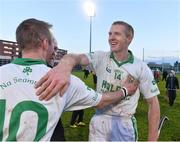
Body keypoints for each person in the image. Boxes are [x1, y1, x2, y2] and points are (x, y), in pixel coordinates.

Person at [0, 18, 138, 141]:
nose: (55, 48)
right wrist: (126, 90)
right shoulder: (65, 82)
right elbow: (101, 101)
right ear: (44, 43)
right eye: (53, 43)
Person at [35, 21, 160, 141]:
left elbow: (153, 104)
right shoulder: (100, 57)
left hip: (124, 122)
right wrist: (65, 65)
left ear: (129, 38)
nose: (111, 37)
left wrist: (152, 139)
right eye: (110, 34)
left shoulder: (141, 67)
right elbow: (77, 57)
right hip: (99, 120)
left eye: (117, 34)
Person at [47, 38, 66, 141]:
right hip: (52, 133)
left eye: (56, 50)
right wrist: (123, 91)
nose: (55, 53)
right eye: (53, 49)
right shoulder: (54, 74)